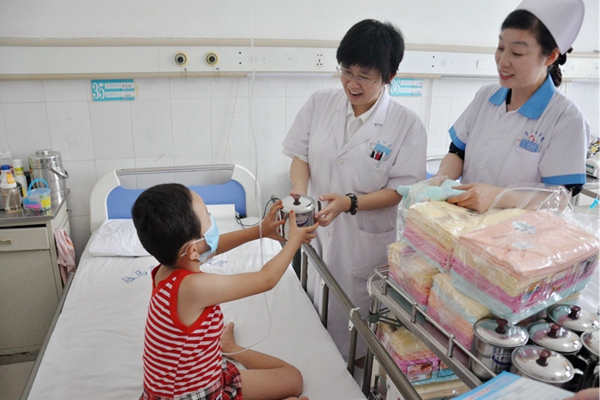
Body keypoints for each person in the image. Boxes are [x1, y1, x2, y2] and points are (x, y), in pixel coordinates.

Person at [281, 19, 427, 358]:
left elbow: (402, 190)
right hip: (317, 230)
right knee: (311, 316)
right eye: (346, 71)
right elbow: (300, 156)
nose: (352, 83)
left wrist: (350, 202)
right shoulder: (320, 102)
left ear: (389, 77)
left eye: (365, 76)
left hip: (364, 242)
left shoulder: (406, 125)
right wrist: (300, 194)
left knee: (354, 333)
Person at [131, 183, 318, 400]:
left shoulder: (168, 268)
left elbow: (214, 246)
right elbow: (266, 279)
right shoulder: (193, 288)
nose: (212, 221)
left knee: (293, 380)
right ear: (192, 250)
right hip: (195, 396)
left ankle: (227, 346)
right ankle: (227, 347)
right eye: (208, 218)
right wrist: (293, 243)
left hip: (207, 375)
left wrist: (260, 231)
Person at [436, 0, 590, 213]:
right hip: (463, 225)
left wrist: (499, 197)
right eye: (500, 48)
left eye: (517, 53)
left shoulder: (566, 118)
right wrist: (439, 179)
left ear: (551, 56)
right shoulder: (486, 97)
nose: (502, 61)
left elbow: (561, 197)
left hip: (520, 237)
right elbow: (457, 153)